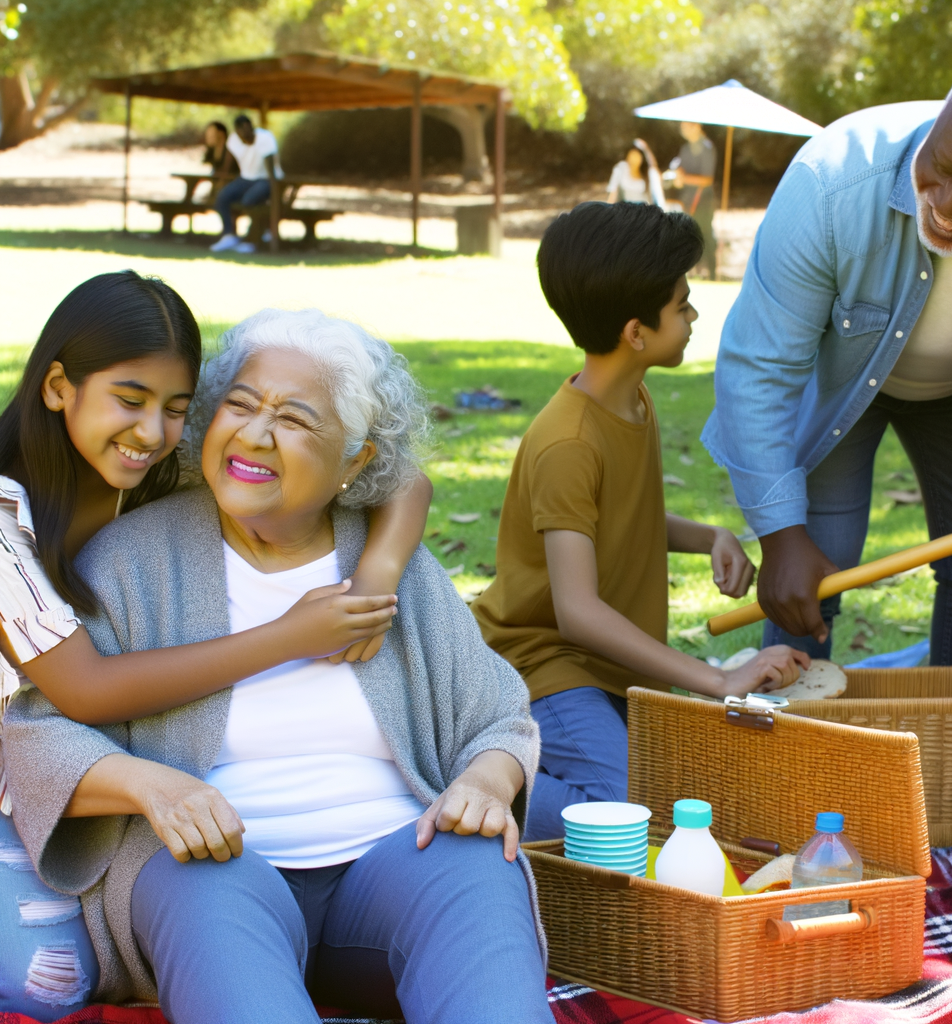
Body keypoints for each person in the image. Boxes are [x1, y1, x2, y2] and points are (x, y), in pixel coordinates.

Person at [3, 309, 553, 1024]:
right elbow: (40, 731)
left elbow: (498, 714)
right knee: (203, 897)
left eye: (294, 419)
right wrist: (153, 787)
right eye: (239, 404)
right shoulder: (129, 560)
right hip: (214, 868)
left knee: (478, 864)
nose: (255, 434)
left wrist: (486, 780)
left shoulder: (388, 570)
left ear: (354, 460)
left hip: (395, 865)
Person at [471, 203, 807, 842]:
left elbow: (624, 515)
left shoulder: (632, 400)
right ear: (635, 332)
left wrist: (710, 536)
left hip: (610, 673)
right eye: (682, 304)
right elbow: (578, 613)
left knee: (691, 798)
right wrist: (717, 679)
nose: (692, 316)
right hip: (550, 666)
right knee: (630, 815)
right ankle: (467, 785)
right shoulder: (568, 442)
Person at [702, 48, 952, 684]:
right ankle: (785, 754)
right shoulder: (831, 179)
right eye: (942, 165)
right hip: (840, 386)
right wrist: (781, 533)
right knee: (812, 570)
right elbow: (757, 366)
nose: (950, 203)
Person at [211, 114, 282, 255]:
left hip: (265, 179)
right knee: (222, 196)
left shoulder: (265, 139)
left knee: (250, 200)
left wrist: (276, 194)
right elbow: (229, 161)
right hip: (245, 178)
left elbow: (271, 170)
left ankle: (253, 238)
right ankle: (229, 235)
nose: (240, 137)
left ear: (247, 127)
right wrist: (222, 180)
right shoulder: (234, 140)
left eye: (240, 132)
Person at [668, 122, 717, 278]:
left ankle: (712, 273)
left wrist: (685, 179)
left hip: (704, 201)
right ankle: (694, 273)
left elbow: (707, 179)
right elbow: (680, 173)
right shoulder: (685, 149)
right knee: (690, 237)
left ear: (696, 126)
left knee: (706, 236)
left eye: (686, 126)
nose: (683, 130)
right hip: (688, 200)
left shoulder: (707, 148)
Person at [606, 138, 665, 208]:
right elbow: (613, 194)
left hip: (644, 210)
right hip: (627, 210)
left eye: (637, 156)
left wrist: (646, 148)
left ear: (642, 159)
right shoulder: (621, 168)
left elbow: (654, 167)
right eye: (632, 155)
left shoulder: (647, 174)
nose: (634, 159)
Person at [201, 120, 239, 197]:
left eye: (211, 134)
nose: (208, 136)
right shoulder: (211, 151)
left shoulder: (231, 152)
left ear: (221, 134)